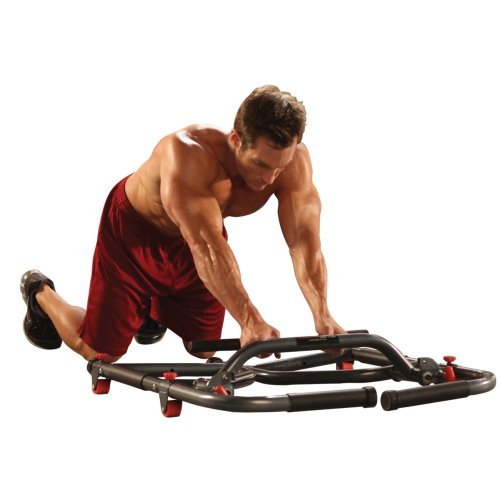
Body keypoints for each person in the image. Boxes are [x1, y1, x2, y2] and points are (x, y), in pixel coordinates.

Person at [20, 85, 346, 363]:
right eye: (261, 164)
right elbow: (205, 245)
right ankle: (40, 293)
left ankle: (151, 308)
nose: (270, 178)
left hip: (197, 241)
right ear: (236, 139)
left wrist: (323, 315)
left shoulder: (294, 164)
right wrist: (250, 320)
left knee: (204, 348)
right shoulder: (188, 154)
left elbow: (304, 244)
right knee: (99, 352)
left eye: (280, 166)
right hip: (135, 238)